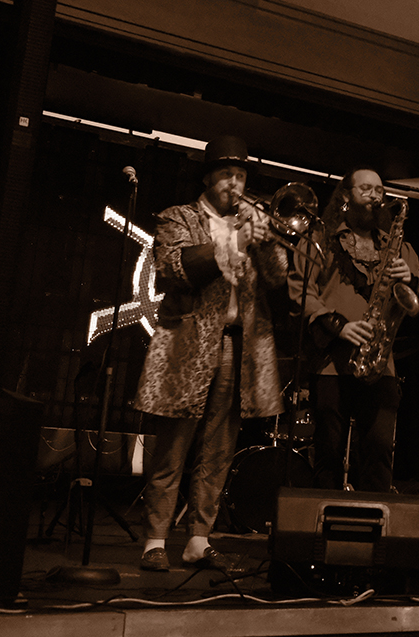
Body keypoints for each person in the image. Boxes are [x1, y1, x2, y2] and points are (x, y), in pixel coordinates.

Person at [132, 136, 287, 571]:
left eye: (241, 176)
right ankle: (155, 541)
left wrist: (265, 240)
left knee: (219, 449)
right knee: (173, 447)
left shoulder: (253, 223)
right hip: (188, 345)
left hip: (238, 345)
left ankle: (199, 539)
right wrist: (234, 239)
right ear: (207, 178)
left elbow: (278, 278)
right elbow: (173, 269)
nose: (234, 184)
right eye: (226, 174)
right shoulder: (179, 217)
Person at [288, 168, 419, 494]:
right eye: (366, 189)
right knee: (329, 451)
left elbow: (417, 304)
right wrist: (339, 326)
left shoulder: (399, 248)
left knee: (380, 451)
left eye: (379, 190)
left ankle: (373, 517)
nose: (375, 196)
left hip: (379, 364)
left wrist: (409, 279)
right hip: (331, 364)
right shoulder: (319, 240)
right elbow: (299, 292)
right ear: (346, 196)